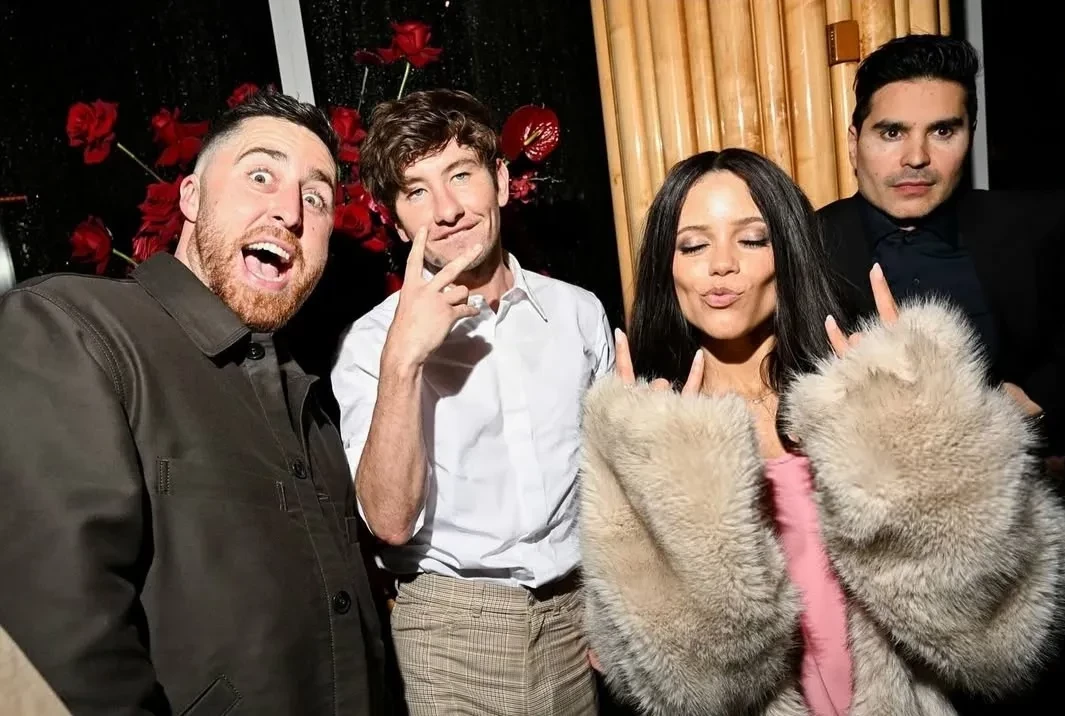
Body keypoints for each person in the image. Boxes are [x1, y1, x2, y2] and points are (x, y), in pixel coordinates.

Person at [577, 148, 1065, 715]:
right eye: (693, 245)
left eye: (752, 239)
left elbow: (1003, 640)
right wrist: (677, 474)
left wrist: (919, 425)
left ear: (788, 251)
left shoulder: (866, 390)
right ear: (666, 268)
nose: (722, 265)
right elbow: (687, 689)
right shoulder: (640, 432)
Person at [0, 90, 388, 714]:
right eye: (260, 176)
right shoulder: (73, 330)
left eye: (316, 197)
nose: (290, 210)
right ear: (189, 197)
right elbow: (65, 651)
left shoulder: (309, 400)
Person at [330, 89, 611, 715]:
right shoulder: (371, 343)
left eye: (461, 174)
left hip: (574, 619)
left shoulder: (577, 313)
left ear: (502, 181)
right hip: (448, 631)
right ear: (396, 221)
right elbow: (388, 522)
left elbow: (607, 479)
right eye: (417, 191)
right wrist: (404, 361)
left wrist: (612, 600)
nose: (448, 210)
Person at [818, 34, 1065, 464]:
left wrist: (1038, 398)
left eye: (942, 131)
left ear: (969, 136)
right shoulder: (808, 245)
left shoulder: (1036, 227)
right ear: (854, 142)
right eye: (892, 132)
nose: (916, 157)